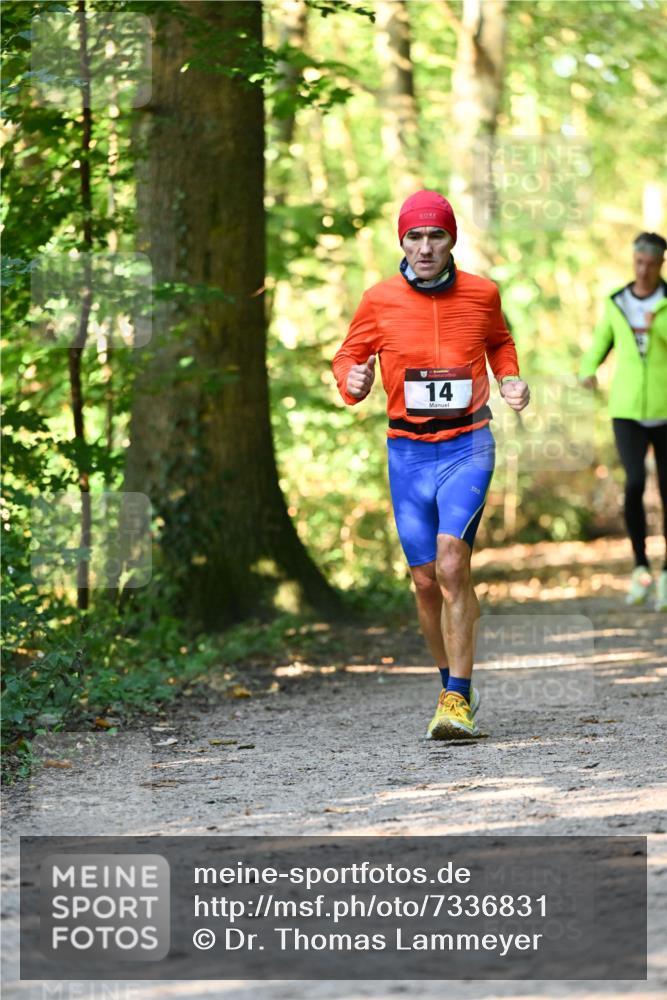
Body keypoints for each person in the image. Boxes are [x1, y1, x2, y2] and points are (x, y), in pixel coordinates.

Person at [332, 190, 530, 739]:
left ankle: (458, 697)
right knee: (423, 582)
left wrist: (510, 377)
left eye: (435, 235)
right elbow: (349, 355)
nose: (425, 247)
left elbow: (500, 342)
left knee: (450, 565)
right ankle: (449, 687)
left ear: (451, 241)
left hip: (467, 445)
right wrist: (350, 380)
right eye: (415, 236)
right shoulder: (378, 300)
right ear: (402, 241)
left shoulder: (482, 294)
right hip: (408, 452)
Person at [579, 232, 667, 611]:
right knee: (633, 483)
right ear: (633, 260)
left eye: (650, 263)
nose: (643, 269)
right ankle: (641, 567)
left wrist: (654, 325)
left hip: (665, 411)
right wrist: (587, 369)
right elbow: (602, 340)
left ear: (661, 264)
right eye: (638, 261)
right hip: (626, 410)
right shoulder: (617, 301)